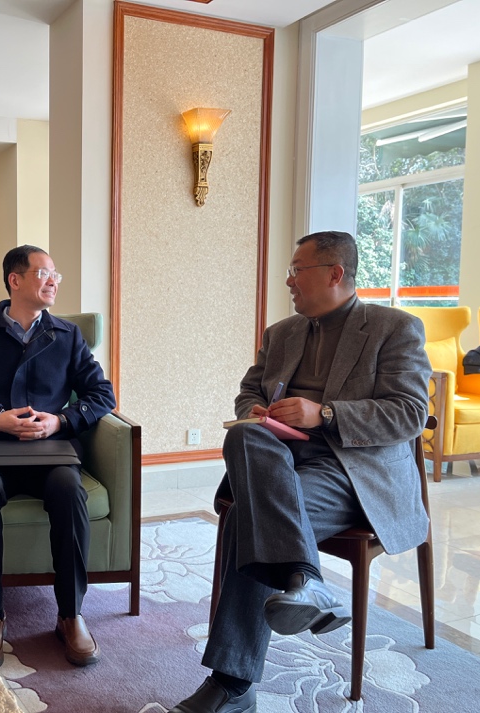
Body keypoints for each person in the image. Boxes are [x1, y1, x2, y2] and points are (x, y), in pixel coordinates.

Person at [169, 231, 432, 713]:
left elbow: (410, 413)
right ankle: (307, 580)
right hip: (280, 462)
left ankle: (232, 686)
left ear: (335, 273)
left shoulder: (394, 328)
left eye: (297, 270)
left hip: (353, 471)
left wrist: (324, 414)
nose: (289, 281)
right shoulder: (282, 333)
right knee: (243, 437)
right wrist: (254, 413)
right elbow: (249, 392)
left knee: (249, 517)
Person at [0, 245, 116, 667]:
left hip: (51, 453)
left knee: (70, 490)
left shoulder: (68, 336)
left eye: (56, 275)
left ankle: (70, 614)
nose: (53, 282)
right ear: (15, 280)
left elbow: (102, 394)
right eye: (44, 273)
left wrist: (60, 421)